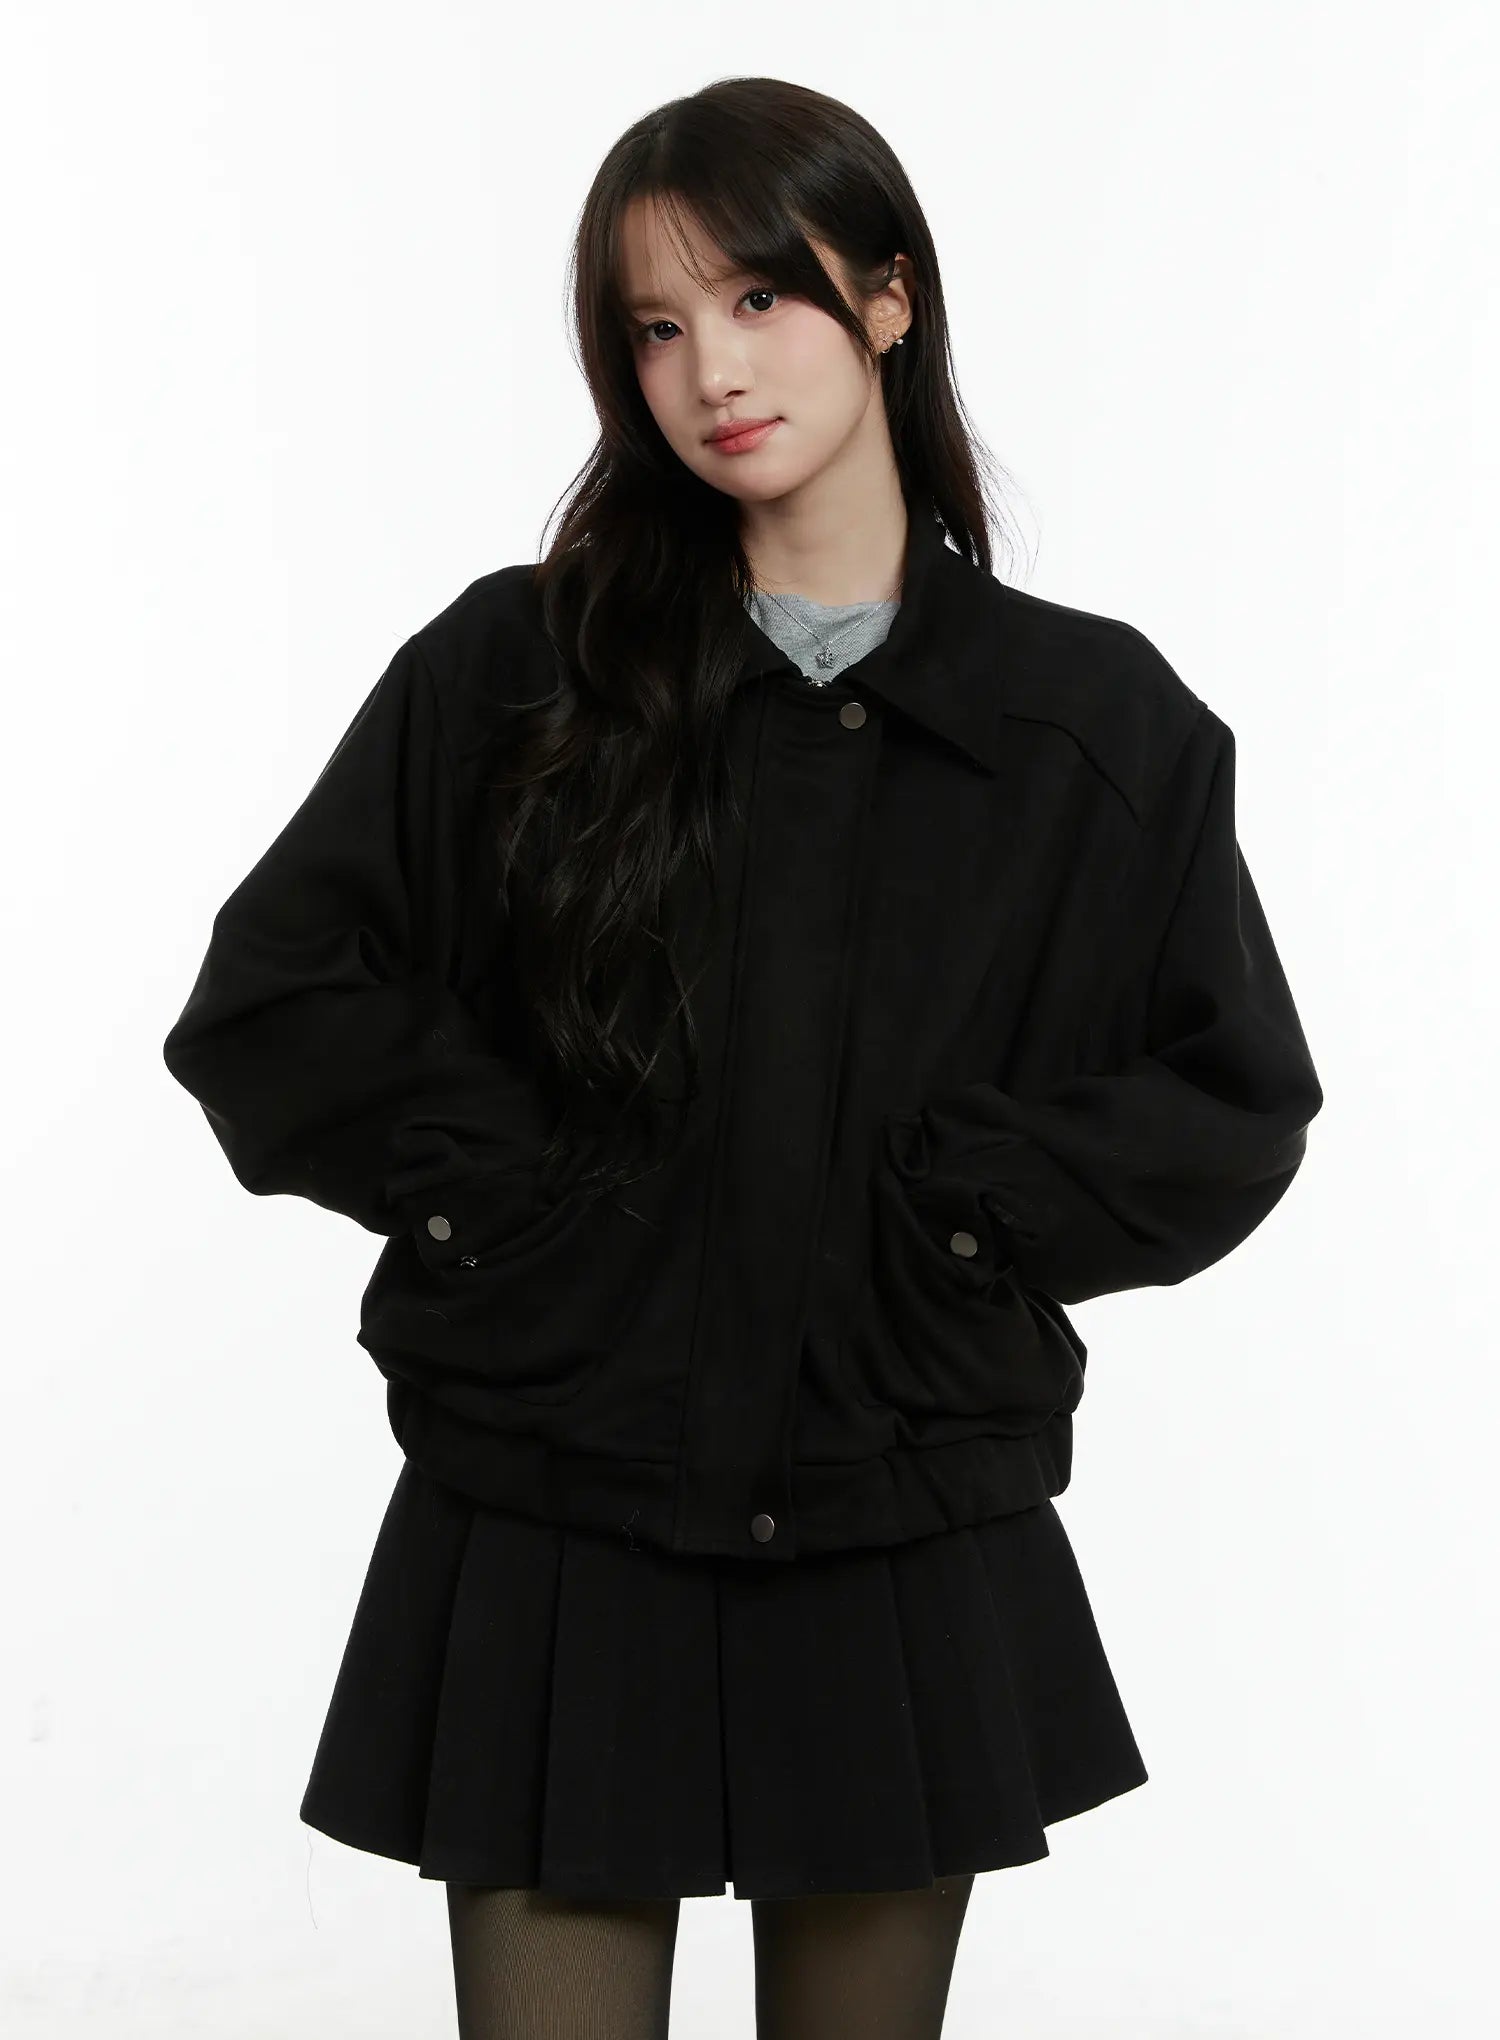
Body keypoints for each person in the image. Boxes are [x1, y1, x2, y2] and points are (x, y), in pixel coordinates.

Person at [161, 74, 1323, 2040]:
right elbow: (274, 999)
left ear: (888, 296)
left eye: (759, 298)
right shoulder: (513, 672)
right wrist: (508, 1213)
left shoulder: (1090, 727)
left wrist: (957, 1227)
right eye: (655, 325)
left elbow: (1232, 1100)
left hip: (895, 1516)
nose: (710, 369)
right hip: (553, 1503)